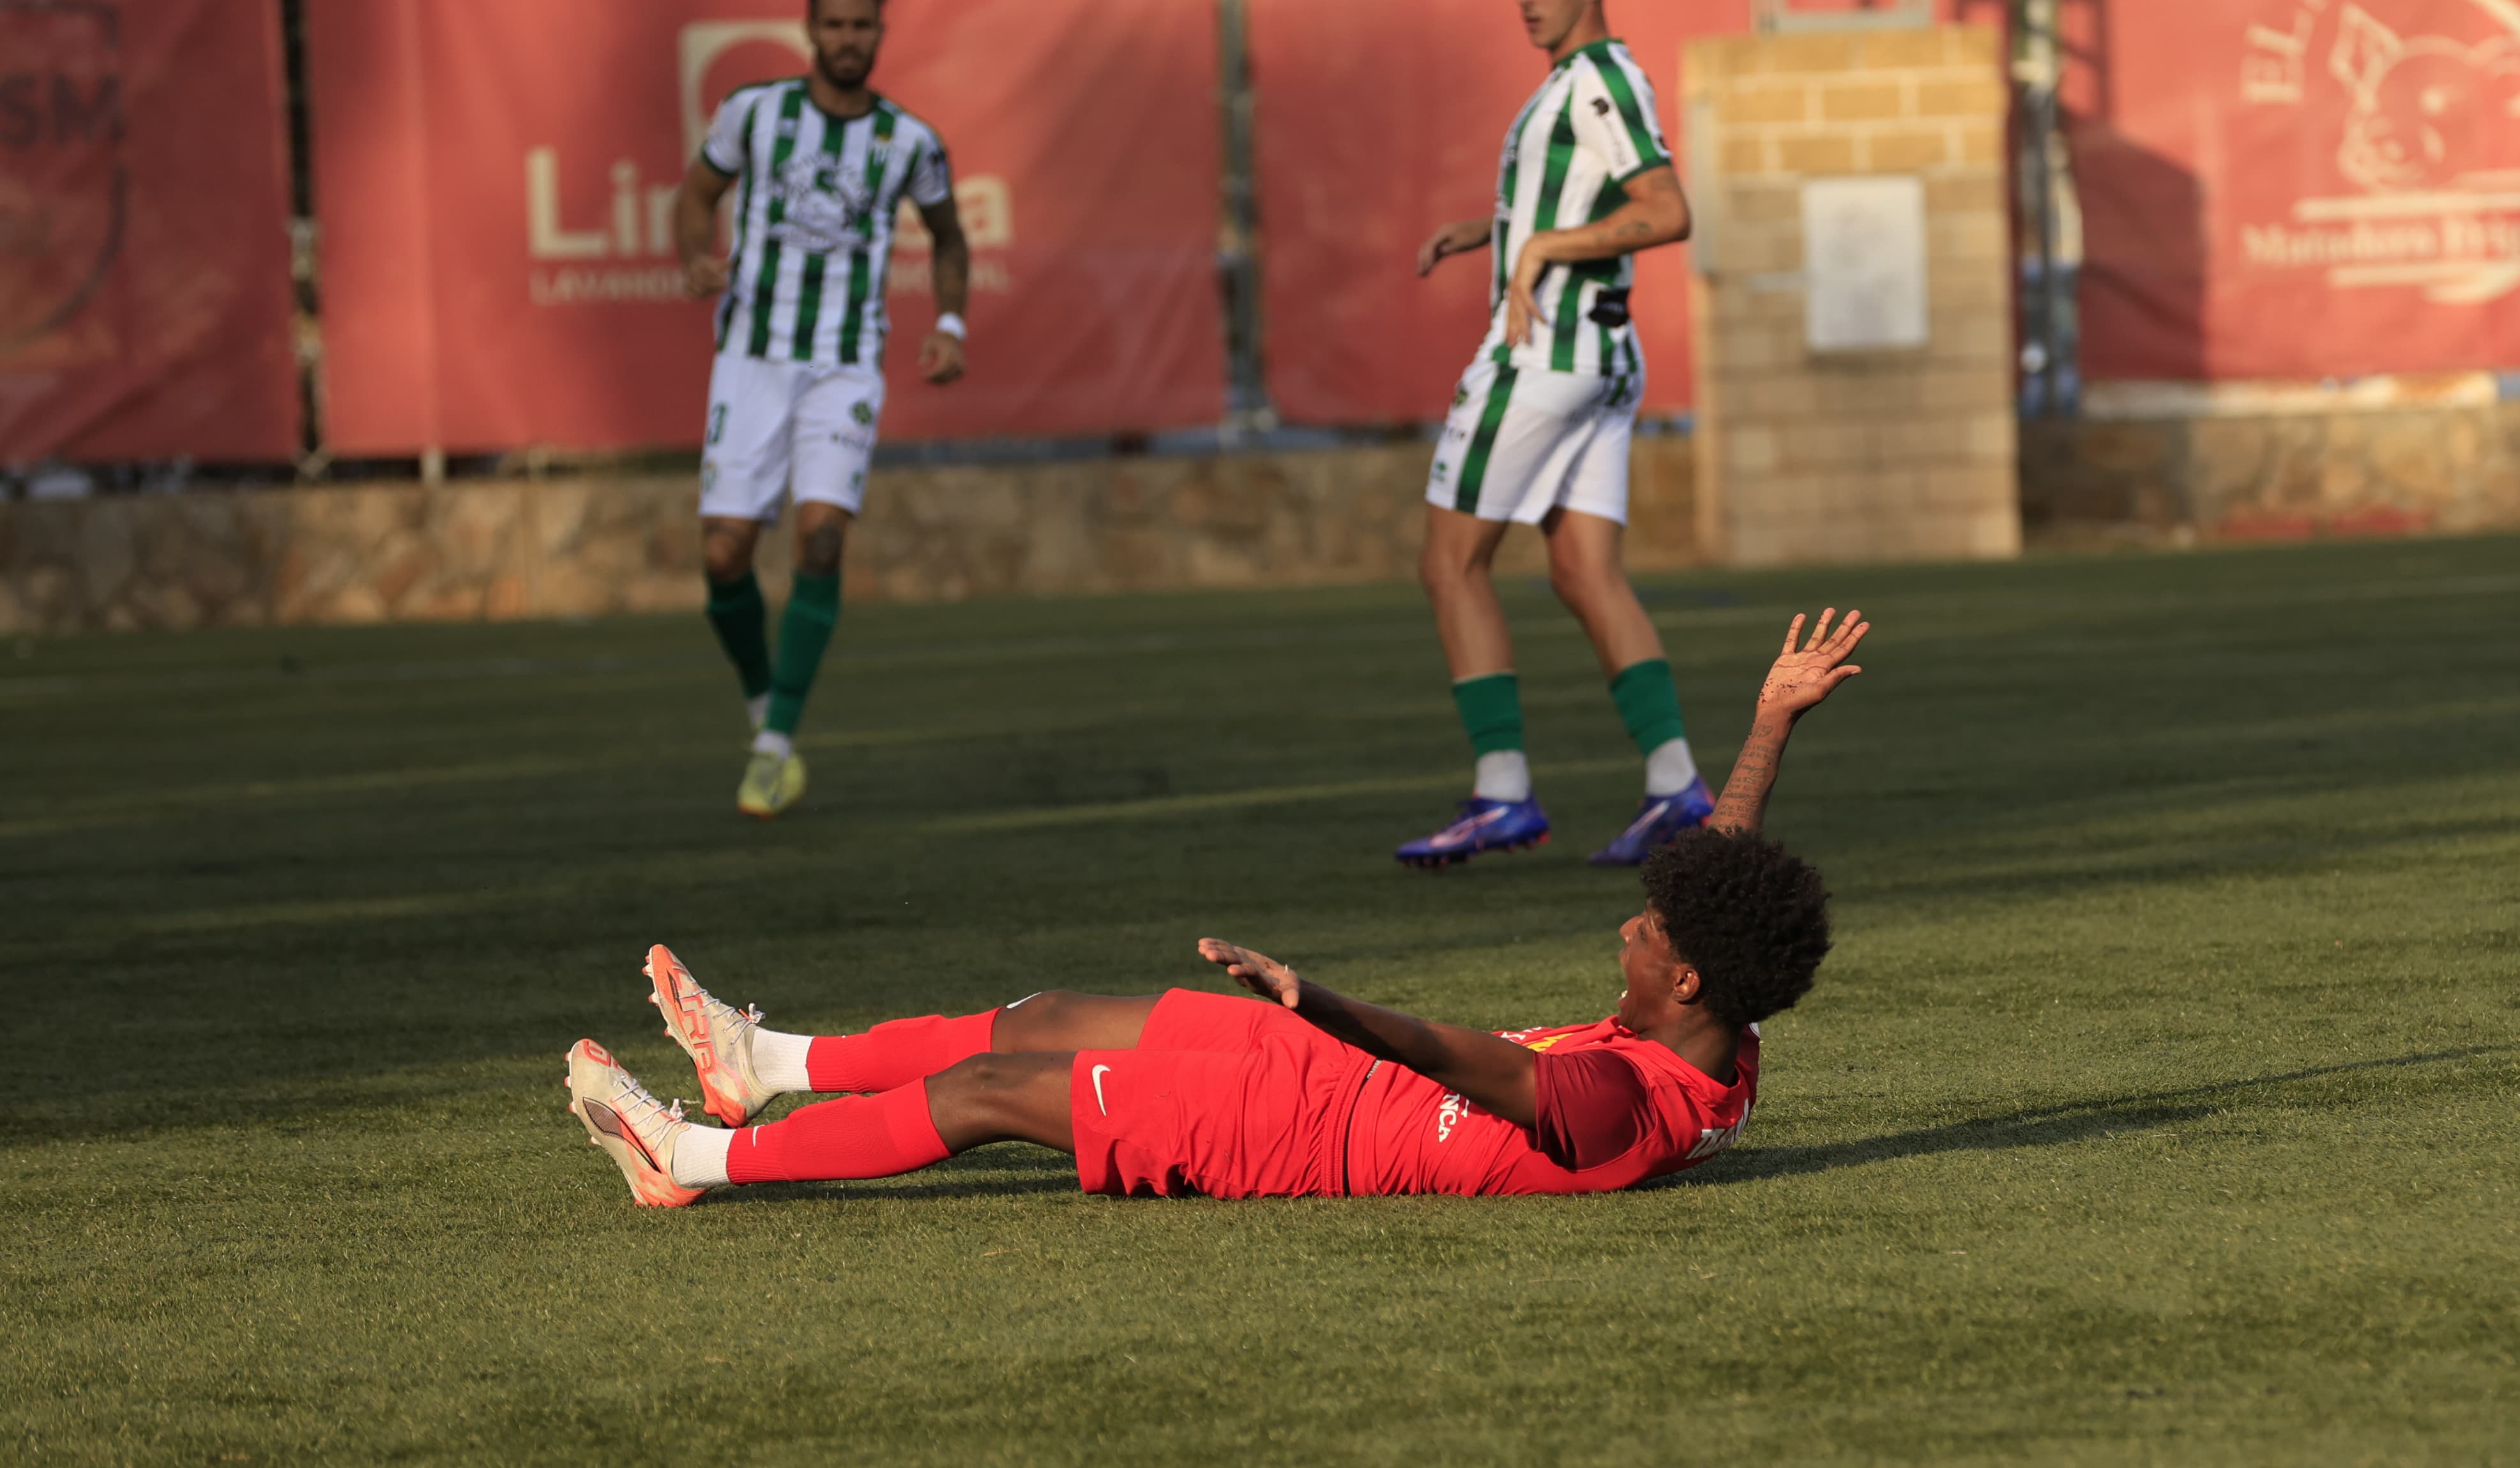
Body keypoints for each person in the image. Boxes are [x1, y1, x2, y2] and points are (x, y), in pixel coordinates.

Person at [564, 611, 1870, 1205]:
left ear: (1689, 980)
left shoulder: (1612, 1105)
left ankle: (688, 1162)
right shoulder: (1722, 1034)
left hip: (1294, 1134)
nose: (1633, 927)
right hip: (1317, 1068)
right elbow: (1727, 874)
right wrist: (1766, 724)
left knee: (986, 1095)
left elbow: (1445, 1052)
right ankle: (765, 1064)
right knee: (1042, 1015)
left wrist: (1321, 1001)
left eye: (1651, 931)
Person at [1396, 0, 1702, 869]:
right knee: (1583, 570)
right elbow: (1577, 202)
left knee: (1451, 564)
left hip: (1542, 359)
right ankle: (1677, 784)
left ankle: (1502, 795)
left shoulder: (1600, 79)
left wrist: (1539, 247)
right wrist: (1489, 231)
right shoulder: (1578, 82)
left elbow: (1666, 210)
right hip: (1604, 362)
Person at [673, 0, 969, 820]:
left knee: (822, 536)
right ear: (810, 27)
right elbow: (696, 196)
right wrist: (696, 253)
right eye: (834, 25)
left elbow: (950, 237)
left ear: (880, 33)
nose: (848, 40)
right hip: (751, 359)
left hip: (845, 365)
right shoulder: (753, 112)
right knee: (724, 555)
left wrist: (951, 325)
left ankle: (774, 749)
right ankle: (767, 704)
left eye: (862, 27)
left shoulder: (909, 140)